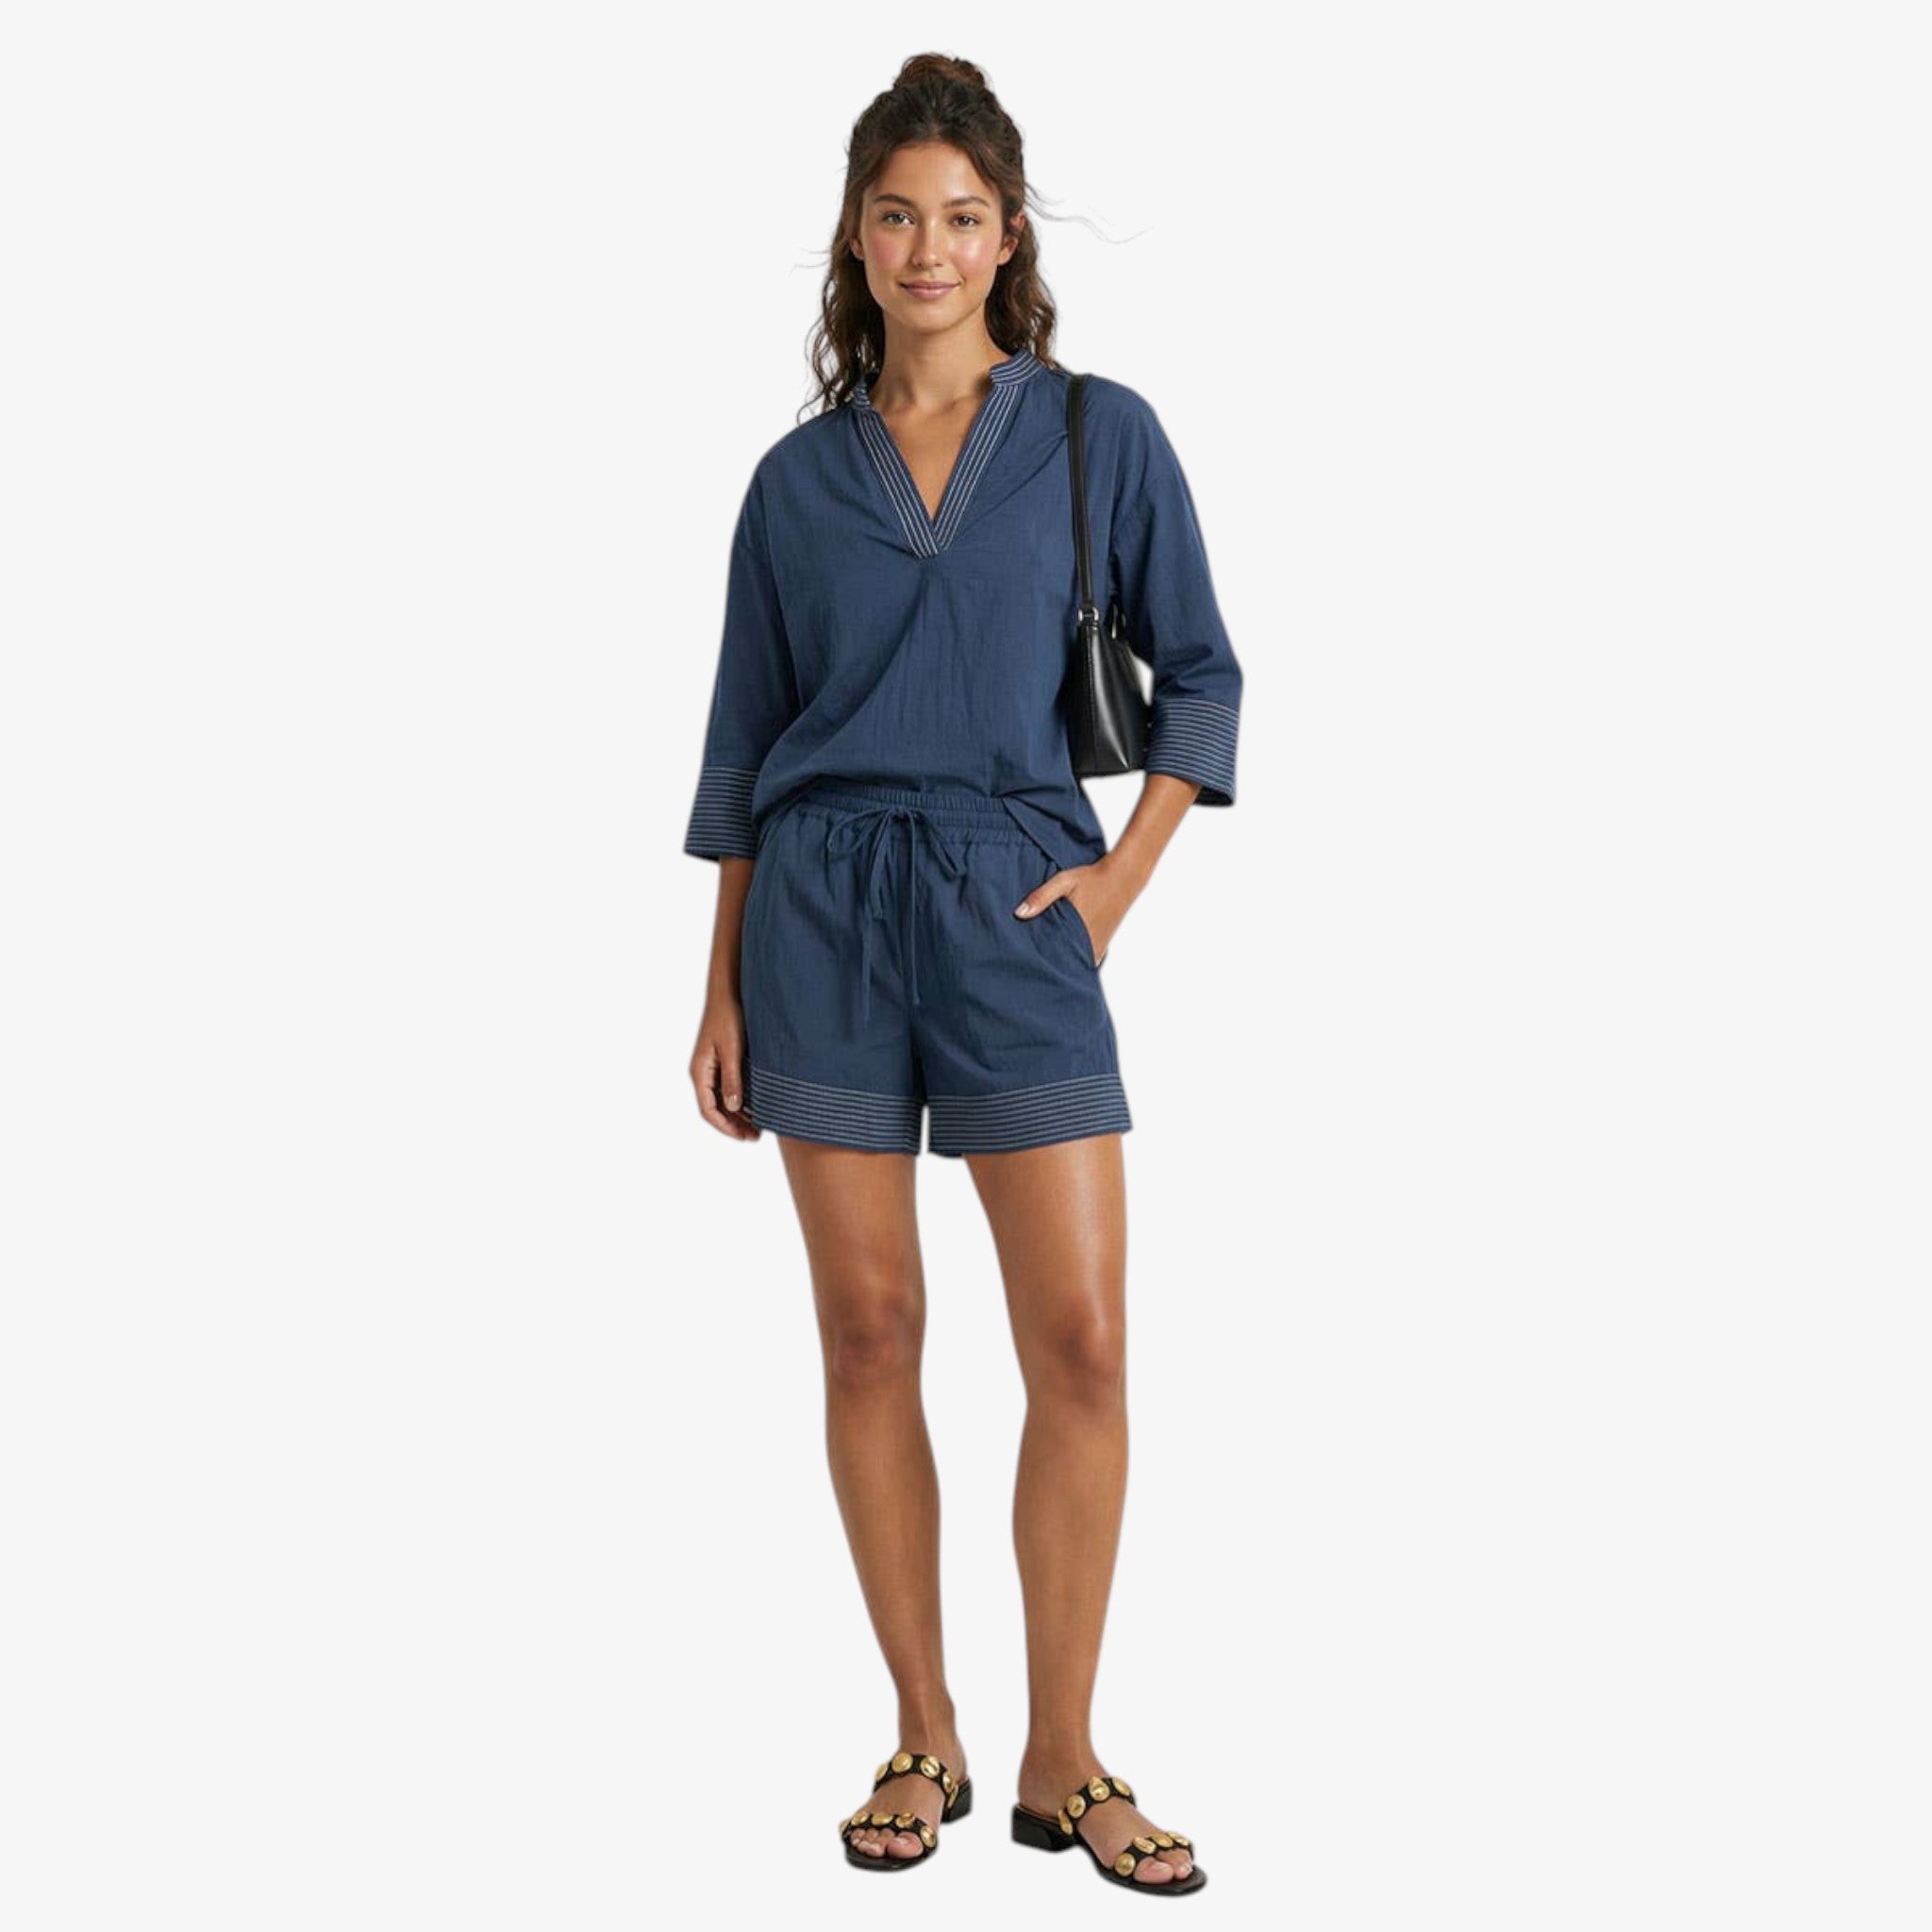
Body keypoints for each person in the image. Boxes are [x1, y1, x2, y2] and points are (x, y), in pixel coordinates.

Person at [683, 53, 1239, 1897]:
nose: (929, 247)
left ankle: (1064, 1753)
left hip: (1015, 909)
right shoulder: (792, 483)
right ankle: (921, 1727)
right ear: (856, 237)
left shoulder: (1096, 436)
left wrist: (1116, 885)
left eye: (964, 216)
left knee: (1082, 1344)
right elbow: (743, 747)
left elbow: (1204, 674)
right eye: (897, 215)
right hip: (818, 919)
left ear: (1009, 237)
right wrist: (721, 987)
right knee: (868, 1334)